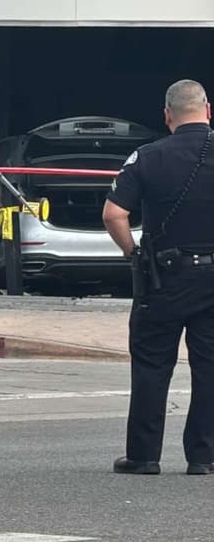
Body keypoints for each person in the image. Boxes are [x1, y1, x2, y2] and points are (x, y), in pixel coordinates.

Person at [103, 79, 214, 476]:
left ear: (167, 116)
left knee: (151, 364)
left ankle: (144, 455)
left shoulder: (147, 157)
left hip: (162, 276)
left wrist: (134, 254)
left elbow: (113, 214)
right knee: (210, 366)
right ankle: (204, 456)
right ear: (208, 110)